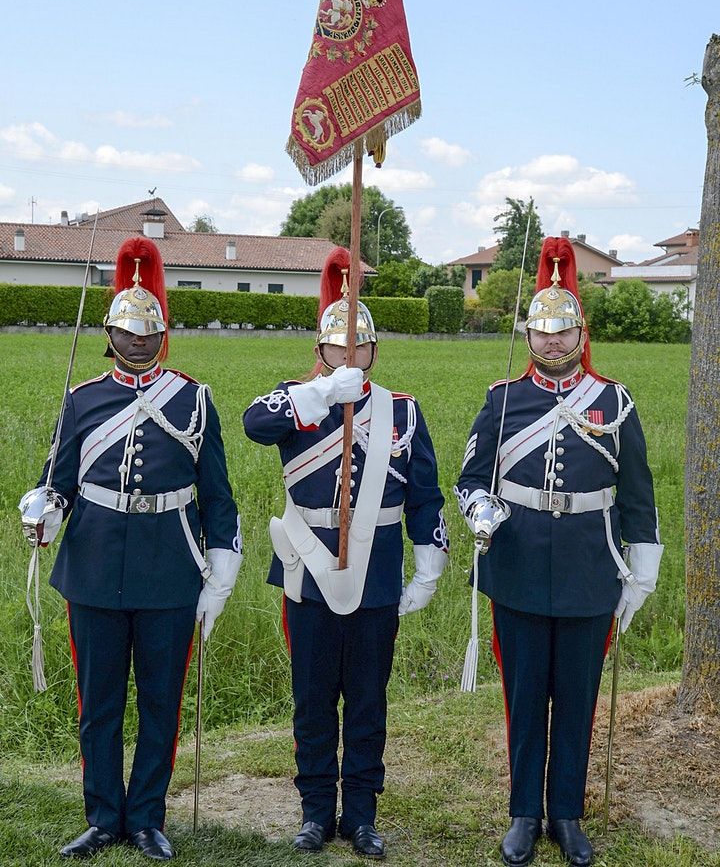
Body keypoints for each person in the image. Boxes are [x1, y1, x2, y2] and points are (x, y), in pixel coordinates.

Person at [18, 237, 242, 861]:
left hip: (170, 570)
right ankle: (102, 815)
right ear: (111, 335)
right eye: (127, 332)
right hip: (92, 567)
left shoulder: (193, 400)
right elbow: (58, 484)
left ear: (162, 334)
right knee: (100, 706)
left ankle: (146, 816)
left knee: (160, 706)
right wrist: (44, 512)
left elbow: (217, 497)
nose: (138, 342)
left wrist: (221, 567)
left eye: (148, 333)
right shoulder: (83, 399)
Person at [455, 237, 662, 867]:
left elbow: (637, 494)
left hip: (588, 570)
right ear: (528, 334)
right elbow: (469, 480)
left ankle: (567, 814)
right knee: (524, 696)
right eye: (539, 332)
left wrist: (642, 571)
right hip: (516, 566)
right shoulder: (502, 399)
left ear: (579, 331)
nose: (549, 342)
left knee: (577, 697)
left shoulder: (614, 402)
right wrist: (479, 511)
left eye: (561, 330)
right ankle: (523, 812)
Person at [243, 247, 447, 859]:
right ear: (321, 352)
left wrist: (429, 562)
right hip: (307, 565)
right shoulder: (298, 403)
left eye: (358, 349)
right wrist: (323, 393)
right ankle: (313, 812)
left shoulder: (401, 412)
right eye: (337, 348)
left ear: (373, 353)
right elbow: (255, 424)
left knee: (366, 699)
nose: (349, 357)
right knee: (312, 698)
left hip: (377, 572)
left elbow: (426, 497)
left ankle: (360, 814)